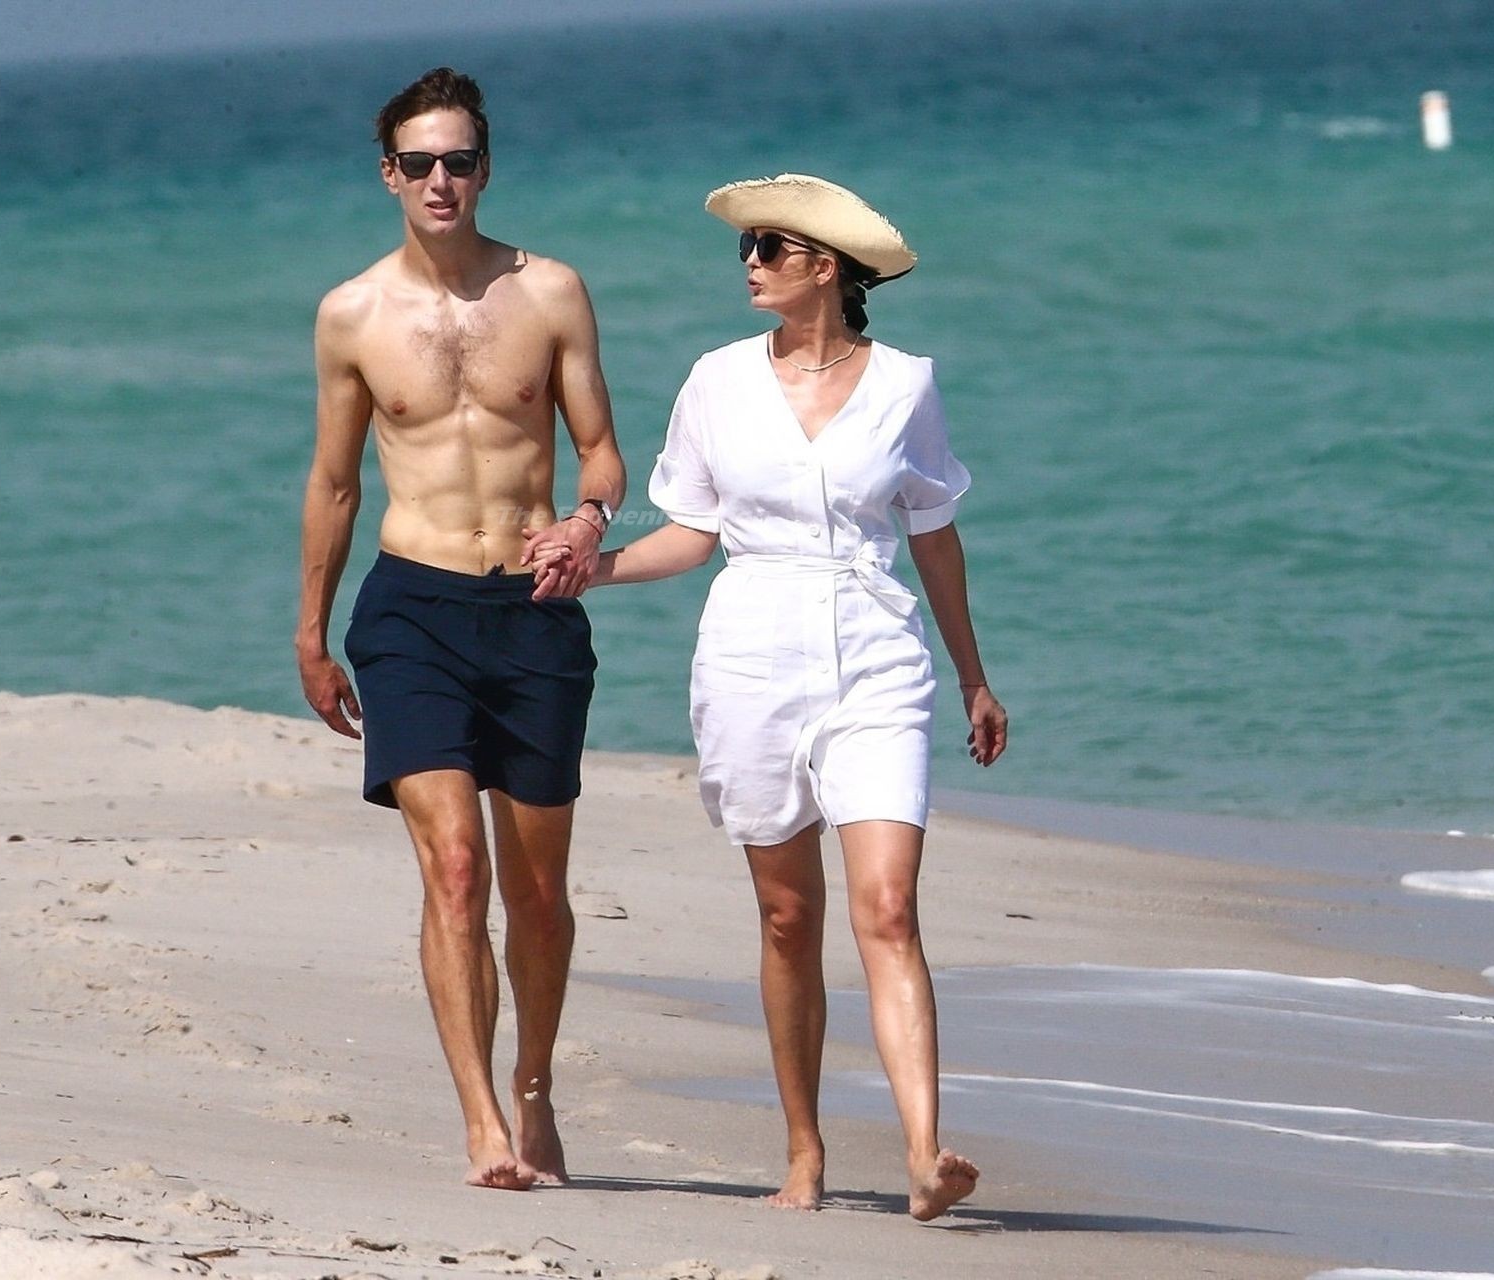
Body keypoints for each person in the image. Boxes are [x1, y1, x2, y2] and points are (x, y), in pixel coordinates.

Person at [527, 174, 1007, 1221]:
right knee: (789, 916)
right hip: (751, 655)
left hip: (877, 651)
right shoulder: (717, 381)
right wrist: (594, 567)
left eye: (769, 248)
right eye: (745, 248)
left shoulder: (906, 385)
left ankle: (924, 1153)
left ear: (824, 267)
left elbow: (934, 535)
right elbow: (692, 534)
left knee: (888, 907)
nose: (749, 263)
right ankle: (804, 1149)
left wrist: (974, 675)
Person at [296, 66, 627, 1191]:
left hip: (533, 610)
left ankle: (533, 1087)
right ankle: (482, 1121)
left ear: (486, 169)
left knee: (537, 896)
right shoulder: (351, 313)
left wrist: (587, 521)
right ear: (388, 174)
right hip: (412, 609)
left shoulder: (552, 292)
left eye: (460, 161)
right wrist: (311, 631)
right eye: (419, 163)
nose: (441, 181)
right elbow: (335, 482)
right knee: (454, 867)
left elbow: (601, 452)